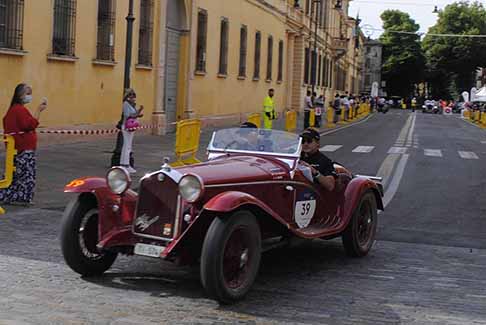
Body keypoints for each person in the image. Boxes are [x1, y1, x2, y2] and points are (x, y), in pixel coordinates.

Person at [0, 83, 48, 206]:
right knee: (25, 175)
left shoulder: (14, 109)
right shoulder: (19, 110)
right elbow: (30, 125)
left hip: (16, 149)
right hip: (23, 149)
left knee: (15, 175)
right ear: (20, 95)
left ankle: (11, 196)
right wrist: (38, 110)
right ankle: (22, 198)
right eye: (28, 93)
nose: (30, 96)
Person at [120, 88, 143, 174]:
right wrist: (137, 113)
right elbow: (128, 115)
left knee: (128, 146)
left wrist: (139, 112)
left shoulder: (131, 105)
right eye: (132, 97)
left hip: (131, 126)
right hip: (127, 126)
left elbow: (134, 114)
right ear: (128, 97)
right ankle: (125, 165)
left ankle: (124, 164)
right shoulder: (126, 104)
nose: (134, 99)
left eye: (134, 97)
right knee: (127, 146)